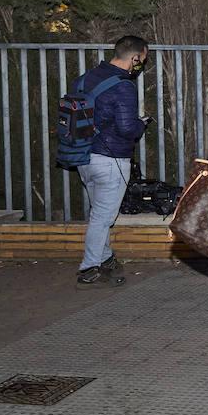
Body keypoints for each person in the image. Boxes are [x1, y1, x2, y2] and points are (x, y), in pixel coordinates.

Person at [73, 35, 150, 289]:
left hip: (83, 156)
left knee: (99, 213)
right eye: (142, 60)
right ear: (135, 57)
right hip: (111, 159)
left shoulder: (87, 78)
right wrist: (142, 124)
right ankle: (89, 268)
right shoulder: (124, 86)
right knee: (103, 217)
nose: (141, 65)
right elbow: (128, 129)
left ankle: (105, 259)